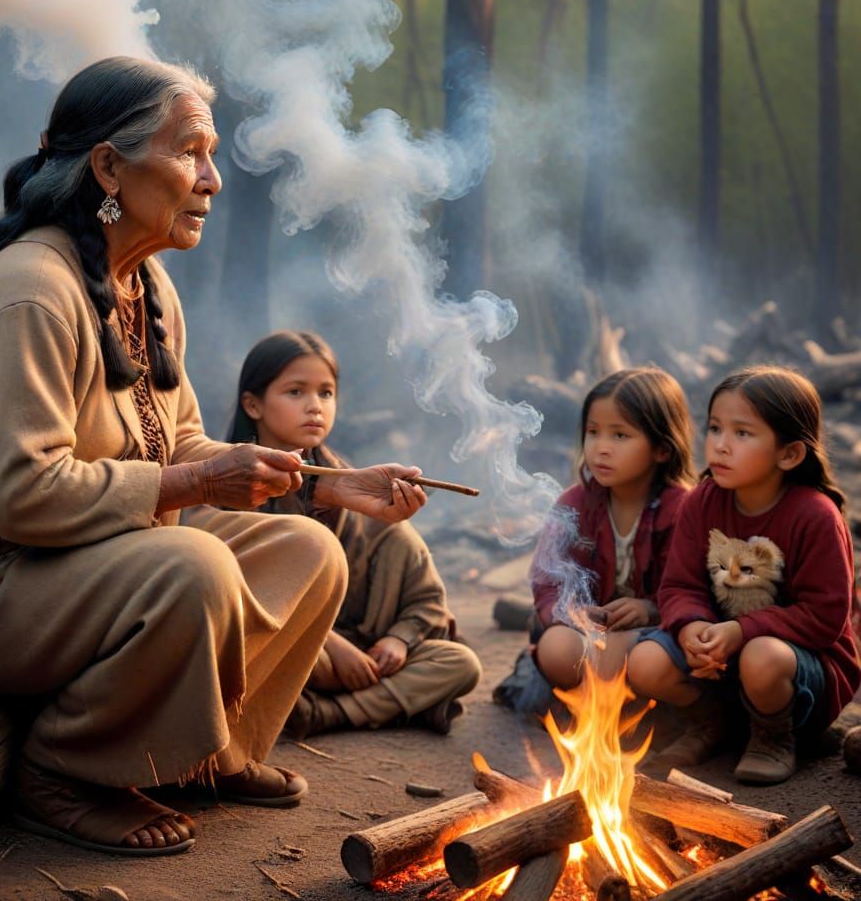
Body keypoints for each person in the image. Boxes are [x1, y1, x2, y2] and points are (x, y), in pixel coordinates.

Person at [0, 56, 428, 856]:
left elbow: (178, 446)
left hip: (83, 557)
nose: (211, 179)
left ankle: (208, 753)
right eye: (190, 153)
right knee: (194, 568)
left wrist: (332, 485)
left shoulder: (148, 288)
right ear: (109, 165)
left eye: (209, 156)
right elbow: (22, 496)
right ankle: (63, 768)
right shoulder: (34, 291)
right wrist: (202, 480)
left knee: (309, 551)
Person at [219, 330, 479, 739]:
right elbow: (239, 597)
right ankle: (378, 706)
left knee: (459, 663)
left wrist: (398, 639)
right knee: (259, 657)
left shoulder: (358, 493)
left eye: (326, 393)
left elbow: (427, 601)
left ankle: (326, 715)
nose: (314, 406)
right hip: (297, 650)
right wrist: (331, 645)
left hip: (369, 654)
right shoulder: (230, 484)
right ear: (253, 404)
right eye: (295, 392)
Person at [627, 366, 861, 784]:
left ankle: (774, 734)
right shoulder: (702, 502)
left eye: (742, 433)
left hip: (799, 669)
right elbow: (679, 585)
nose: (720, 445)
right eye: (715, 428)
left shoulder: (815, 516)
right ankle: (713, 720)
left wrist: (740, 631)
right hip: (720, 660)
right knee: (644, 660)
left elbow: (824, 616)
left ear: (789, 454)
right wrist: (690, 627)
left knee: (761, 655)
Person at [520, 368, 695, 703]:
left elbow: (694, 590)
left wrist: (651, 609)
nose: (600, 448)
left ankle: (672, 713)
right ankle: (599, 707)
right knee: (557, 649)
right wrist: (571, 612)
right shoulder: (574, 504)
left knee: (620, 654)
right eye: (593, 432)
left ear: (662, 448)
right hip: (593, 631)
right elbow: (547, 581)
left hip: (657, 636)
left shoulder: (683, 510)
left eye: (619, 436)